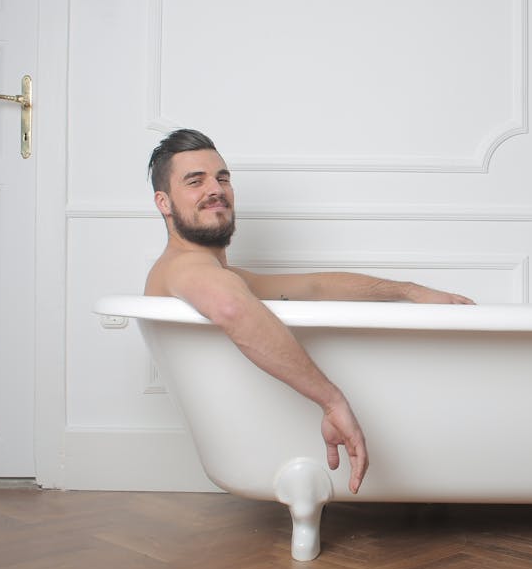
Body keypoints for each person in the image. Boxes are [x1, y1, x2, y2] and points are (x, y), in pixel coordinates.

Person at [144, 129, 474, 494]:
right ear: (164, 202)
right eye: (195, 181)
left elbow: (313, 287)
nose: (216, 189)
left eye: (222, 178)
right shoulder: (187, 268)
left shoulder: (215, 273)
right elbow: (231, 307)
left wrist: (409, 291)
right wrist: (332, 402)